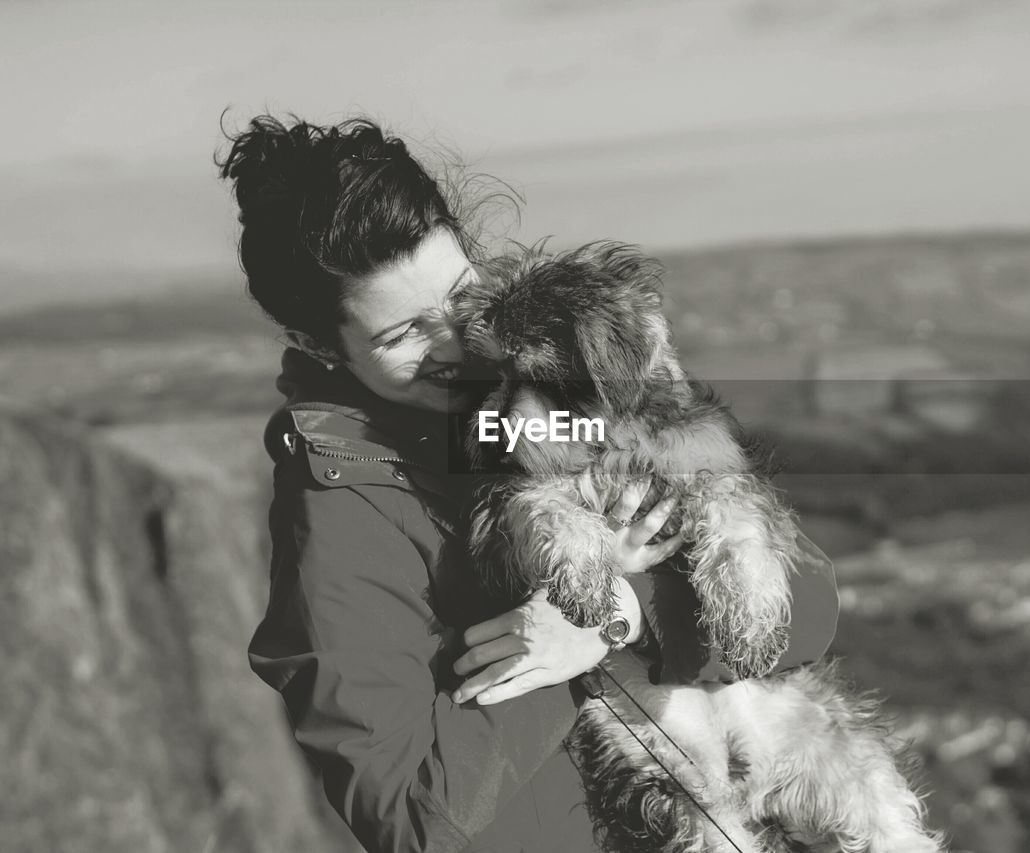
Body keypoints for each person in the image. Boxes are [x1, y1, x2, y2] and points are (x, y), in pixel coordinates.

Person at [219, 114, 840, 853]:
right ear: (320, 345)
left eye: (458, 295)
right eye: (401, 334)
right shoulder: (345, 517)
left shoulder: (566, 376)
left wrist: (626, 608)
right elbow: (415, 820)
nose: (455, 343)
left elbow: (807, 609)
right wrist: (559, 648)